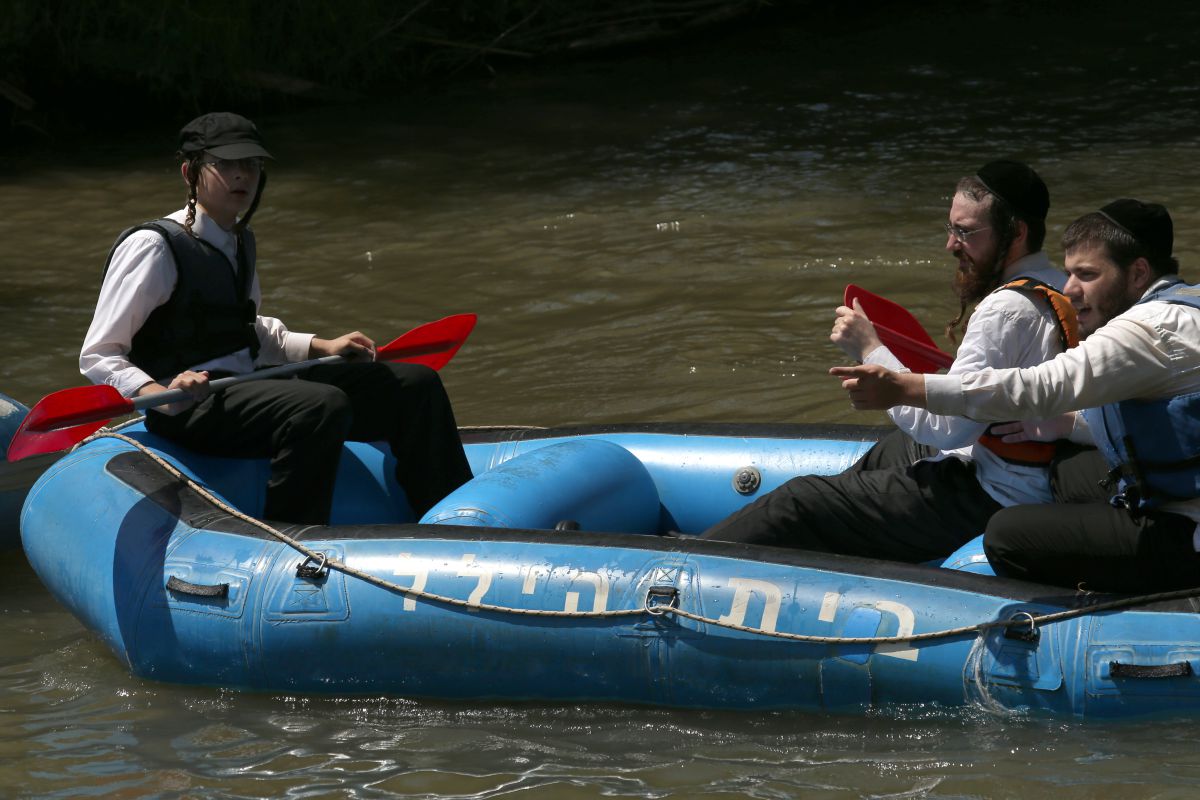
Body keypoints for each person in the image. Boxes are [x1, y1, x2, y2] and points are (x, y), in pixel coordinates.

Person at [80, 112, 473, 525]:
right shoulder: (154, 247)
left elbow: (247, 328)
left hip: (248, 386)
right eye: (225, 165)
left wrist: (320, 346)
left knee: (415, 385)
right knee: (320, 405)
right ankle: (296, 536)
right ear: (189, 172)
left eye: (250, 164)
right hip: (185, 408)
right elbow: (101, 354)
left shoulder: (239, 239)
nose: (241, 176)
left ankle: (453, 520)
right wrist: (156, 388)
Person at [700, 160, 1078, 562]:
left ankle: (679, 563)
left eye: (966, 232)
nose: (951, 245)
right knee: (893, 450)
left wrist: (869, 349)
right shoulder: (1057, 286)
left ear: (1016, 232)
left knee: (798, 500)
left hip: (993, 494)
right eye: (951, 228)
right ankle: (819, 542)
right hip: (1015, 469)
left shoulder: (1005, 310)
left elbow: (947, 431)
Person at [833, 200, 1200, 593]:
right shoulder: (1183, 306)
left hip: (1186, 533)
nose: (1070, 289)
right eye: (1070, 272)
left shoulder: (1147, 331)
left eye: (1087, 275)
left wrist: (903, 387)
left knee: (1007, 534)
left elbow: (1036, 387)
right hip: (1177, 493)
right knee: (1066, 469)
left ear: (1138, 273)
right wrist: (1067, 425)